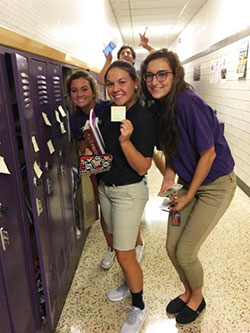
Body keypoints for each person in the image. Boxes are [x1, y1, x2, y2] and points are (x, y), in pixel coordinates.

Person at [140, 49, 237, 325]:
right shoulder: (161, 106)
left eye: (162, 74)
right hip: (189, 181)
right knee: (172, 247)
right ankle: (187, 292)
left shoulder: (187, 103)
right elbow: (171, 147)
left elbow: (208, 155)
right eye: (149, 75)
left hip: (215, 185)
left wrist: (188, 195)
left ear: (175, 74)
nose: (155, 81)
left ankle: (198, 298)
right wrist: (169, 178)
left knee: (185, 251)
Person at [98, 60, 155, 332]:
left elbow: (143, 166)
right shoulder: (115, 110)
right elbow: (111, 158)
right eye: (110, 83)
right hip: (107, 188)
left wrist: (125, 142)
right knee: (115, 242)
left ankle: (139, 306)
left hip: (128, 193)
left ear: (135, 83)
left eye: (122, 82)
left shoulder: (142, 117)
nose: (115, 88)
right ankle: (128, 284)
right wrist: (90, 160)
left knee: (125, 253)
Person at [67, 70, 115, 270]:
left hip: (119, 164)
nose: (79, 94)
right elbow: (81, 148)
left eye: (84, 89)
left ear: (93, 91)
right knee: (105, 210)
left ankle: (136, 244)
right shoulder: (75, 119)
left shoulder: (107, 108)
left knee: (122, 210)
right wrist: (86, 150)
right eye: (74, 90)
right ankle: (111, 248)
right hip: (98, 166)